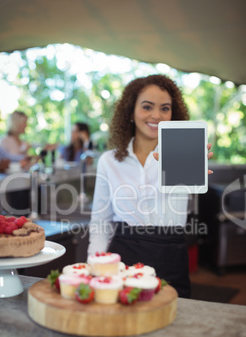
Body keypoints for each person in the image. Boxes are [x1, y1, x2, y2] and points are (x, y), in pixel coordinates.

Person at [87, 74, 213, 298]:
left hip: (170, 255)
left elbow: (175, 207)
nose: (156, 115)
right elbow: (101, 222)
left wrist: (193, 169)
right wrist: (95, 267)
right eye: (147, 107)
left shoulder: (182, 155)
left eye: (165, 108)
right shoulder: (109, 160)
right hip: (123, 255)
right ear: (131, 111)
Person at [0, 104, 25, 172]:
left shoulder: (23, 142)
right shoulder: (4, 141)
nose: (0, 118)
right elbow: (6, 158)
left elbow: (6, 156)